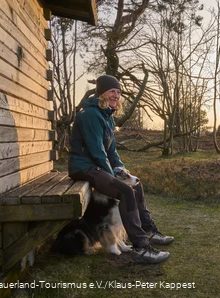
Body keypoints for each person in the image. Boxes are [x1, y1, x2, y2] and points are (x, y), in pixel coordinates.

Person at [68, 75, 173, 264]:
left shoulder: (107, 117)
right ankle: (141, 248)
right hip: (83, 166)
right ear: (101, 93)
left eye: (118, 92)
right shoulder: (90, 114)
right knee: (125, 191)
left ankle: (149, 232)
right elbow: (97, 151)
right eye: (112, 91)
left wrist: (121, 170)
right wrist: (113, 176)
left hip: (96, 165)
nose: (116, 95)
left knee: (136, 184)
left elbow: (111, 151)